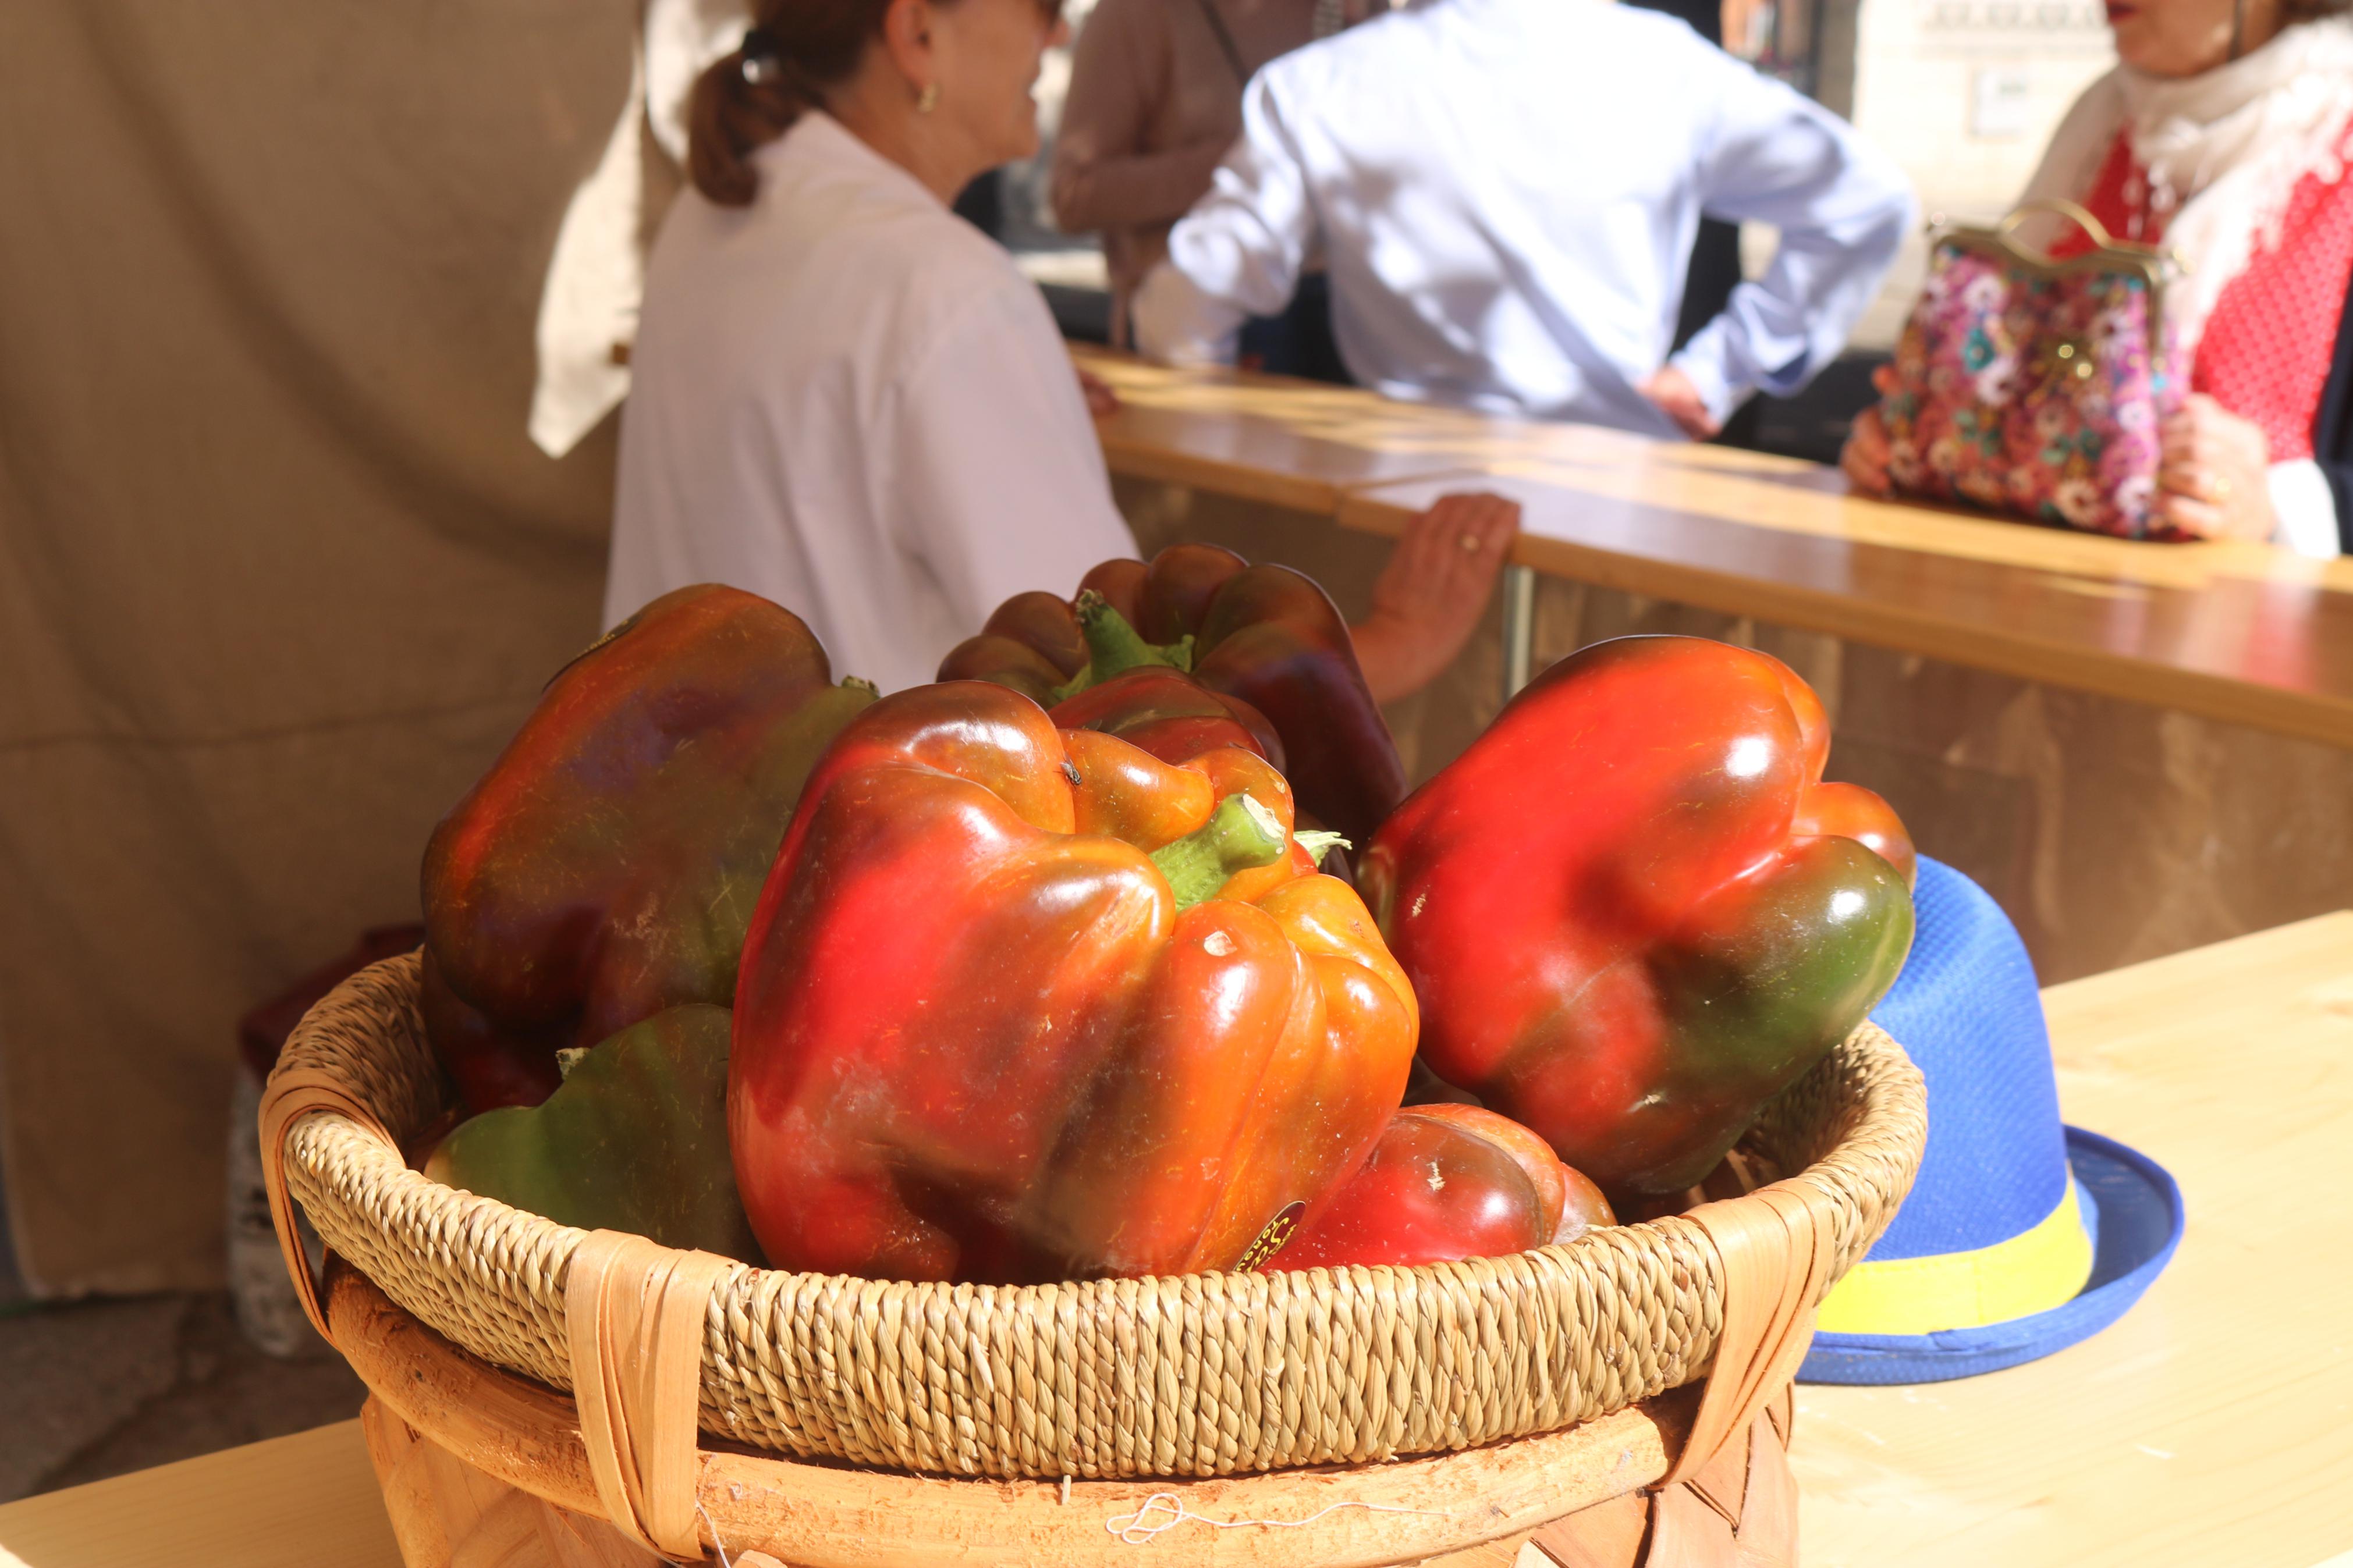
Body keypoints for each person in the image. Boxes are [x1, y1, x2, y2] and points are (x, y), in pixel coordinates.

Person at [607, 0, 1522, 697]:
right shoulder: (941, 286)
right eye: (1041, 5)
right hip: (857, 881)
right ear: (917, 34)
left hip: (677, 850)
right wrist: (1401, 636)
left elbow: (830, 410)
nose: (1056, 38)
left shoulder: (720, 210)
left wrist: (1004, 386)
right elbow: (1121, 686)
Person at [1127, 0, 1915, 441]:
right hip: (1624, 488)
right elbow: (1865, 200)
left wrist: (1230, 428)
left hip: (1394, 489)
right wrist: (1719, 369)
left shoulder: (1317, 84)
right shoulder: (1664, 66)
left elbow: (1184, 309)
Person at [1844, 0, 2353, 554]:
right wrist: (1923, 429)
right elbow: (2013, 385)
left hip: (2256, 628)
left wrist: (2280, 507)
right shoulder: (2100, 123)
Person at [1050, 0, 1377, 351]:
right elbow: (1074, 195)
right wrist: (1247, 163)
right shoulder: (1139, 12)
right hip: (1197, 329)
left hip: (1356, 310)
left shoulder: (1354, 10)